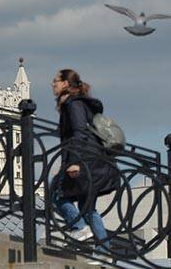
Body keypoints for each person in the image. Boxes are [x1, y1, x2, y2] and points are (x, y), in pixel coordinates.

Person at [51, 68, 119, 256]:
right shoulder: (74, 104)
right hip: (94, 162)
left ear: (65, 83)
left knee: (56, 192)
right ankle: (104, 253)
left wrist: (75, 163)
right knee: (87, 207)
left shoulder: (74, 104)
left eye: (55, 81)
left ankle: (79, 227)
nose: (52, 84)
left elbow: (79, 134)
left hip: (87, 162)